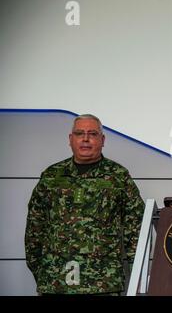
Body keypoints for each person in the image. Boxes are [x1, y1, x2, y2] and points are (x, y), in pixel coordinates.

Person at [25, 114, 145, 295]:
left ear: (102, 140)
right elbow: (35, 228)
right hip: (55, 281)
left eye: (93, 134)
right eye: (79, 133)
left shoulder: (118, 176)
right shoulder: (51, 176)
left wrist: (137, 276)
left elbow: (136, 229)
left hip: (103, 283)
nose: (86, 139)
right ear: (70, 139)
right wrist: (43, 272)